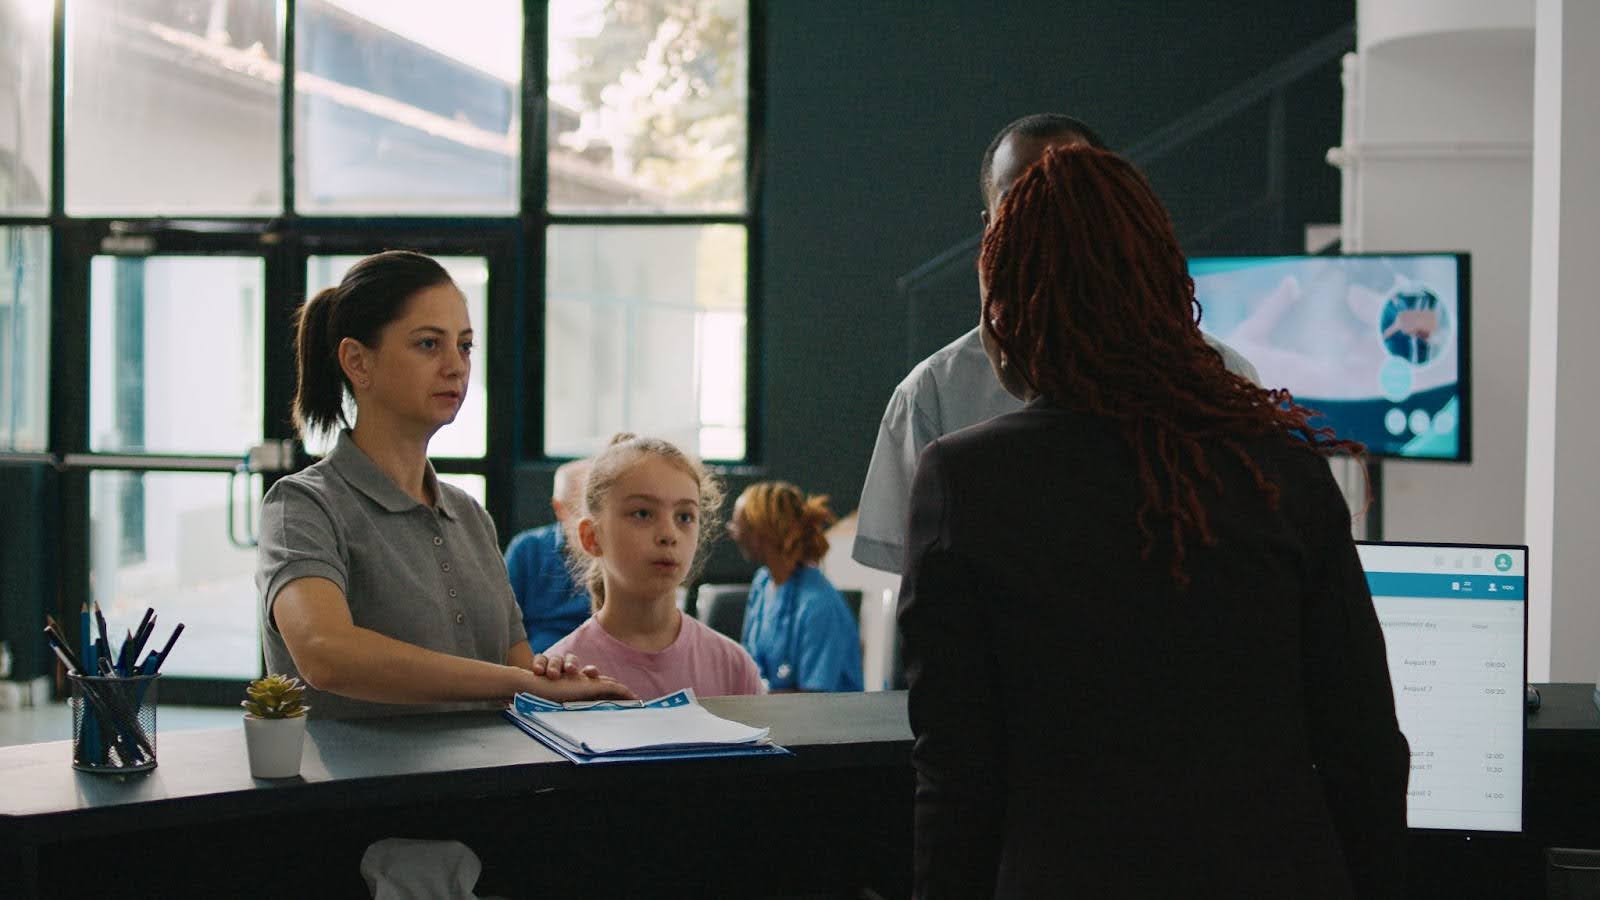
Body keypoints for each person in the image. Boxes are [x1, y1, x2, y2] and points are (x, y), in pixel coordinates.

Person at [899, 146, 1409, 897]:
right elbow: (1364, 750)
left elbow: (956, 776)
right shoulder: (1281, 468)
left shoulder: (966, 482)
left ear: (1009, 309)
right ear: (1168, 293)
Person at [853, 112, 1261, 574]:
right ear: (989, 228)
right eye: (1020, 199)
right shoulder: (932, 396)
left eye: (1071, 193)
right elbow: (918, 586)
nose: (1048, 213)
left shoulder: (1220, 375)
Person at [257, 250, 633, 719]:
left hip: (489, 765)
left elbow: (516, 665)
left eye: (465, 346)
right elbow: (325, 652)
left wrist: (552, 677)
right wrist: (518, 681)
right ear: (357, 361)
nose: (456, 366)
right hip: (350, 771)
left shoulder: (469, 515)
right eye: (428, 344)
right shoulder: (302, 506)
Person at [546, 433, 763, 699]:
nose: (669, 534)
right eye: (643, 513)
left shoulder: (734, 668)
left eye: (685, 517)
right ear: (591, 537)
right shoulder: (562, 678)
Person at [728, 482, 864, 692]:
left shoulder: (818, 606)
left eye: (737, 525)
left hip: (822, 713)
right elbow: (750, 666)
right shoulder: (762, 583)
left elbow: (813, 699)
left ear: (761, 532)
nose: (732, 533)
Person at [504, 458, 592, 651]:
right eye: (582, 509)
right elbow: (505, 625)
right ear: (559, 509)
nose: (592, 519)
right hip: (538, 657)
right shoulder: (527, 548)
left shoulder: (615, 549)